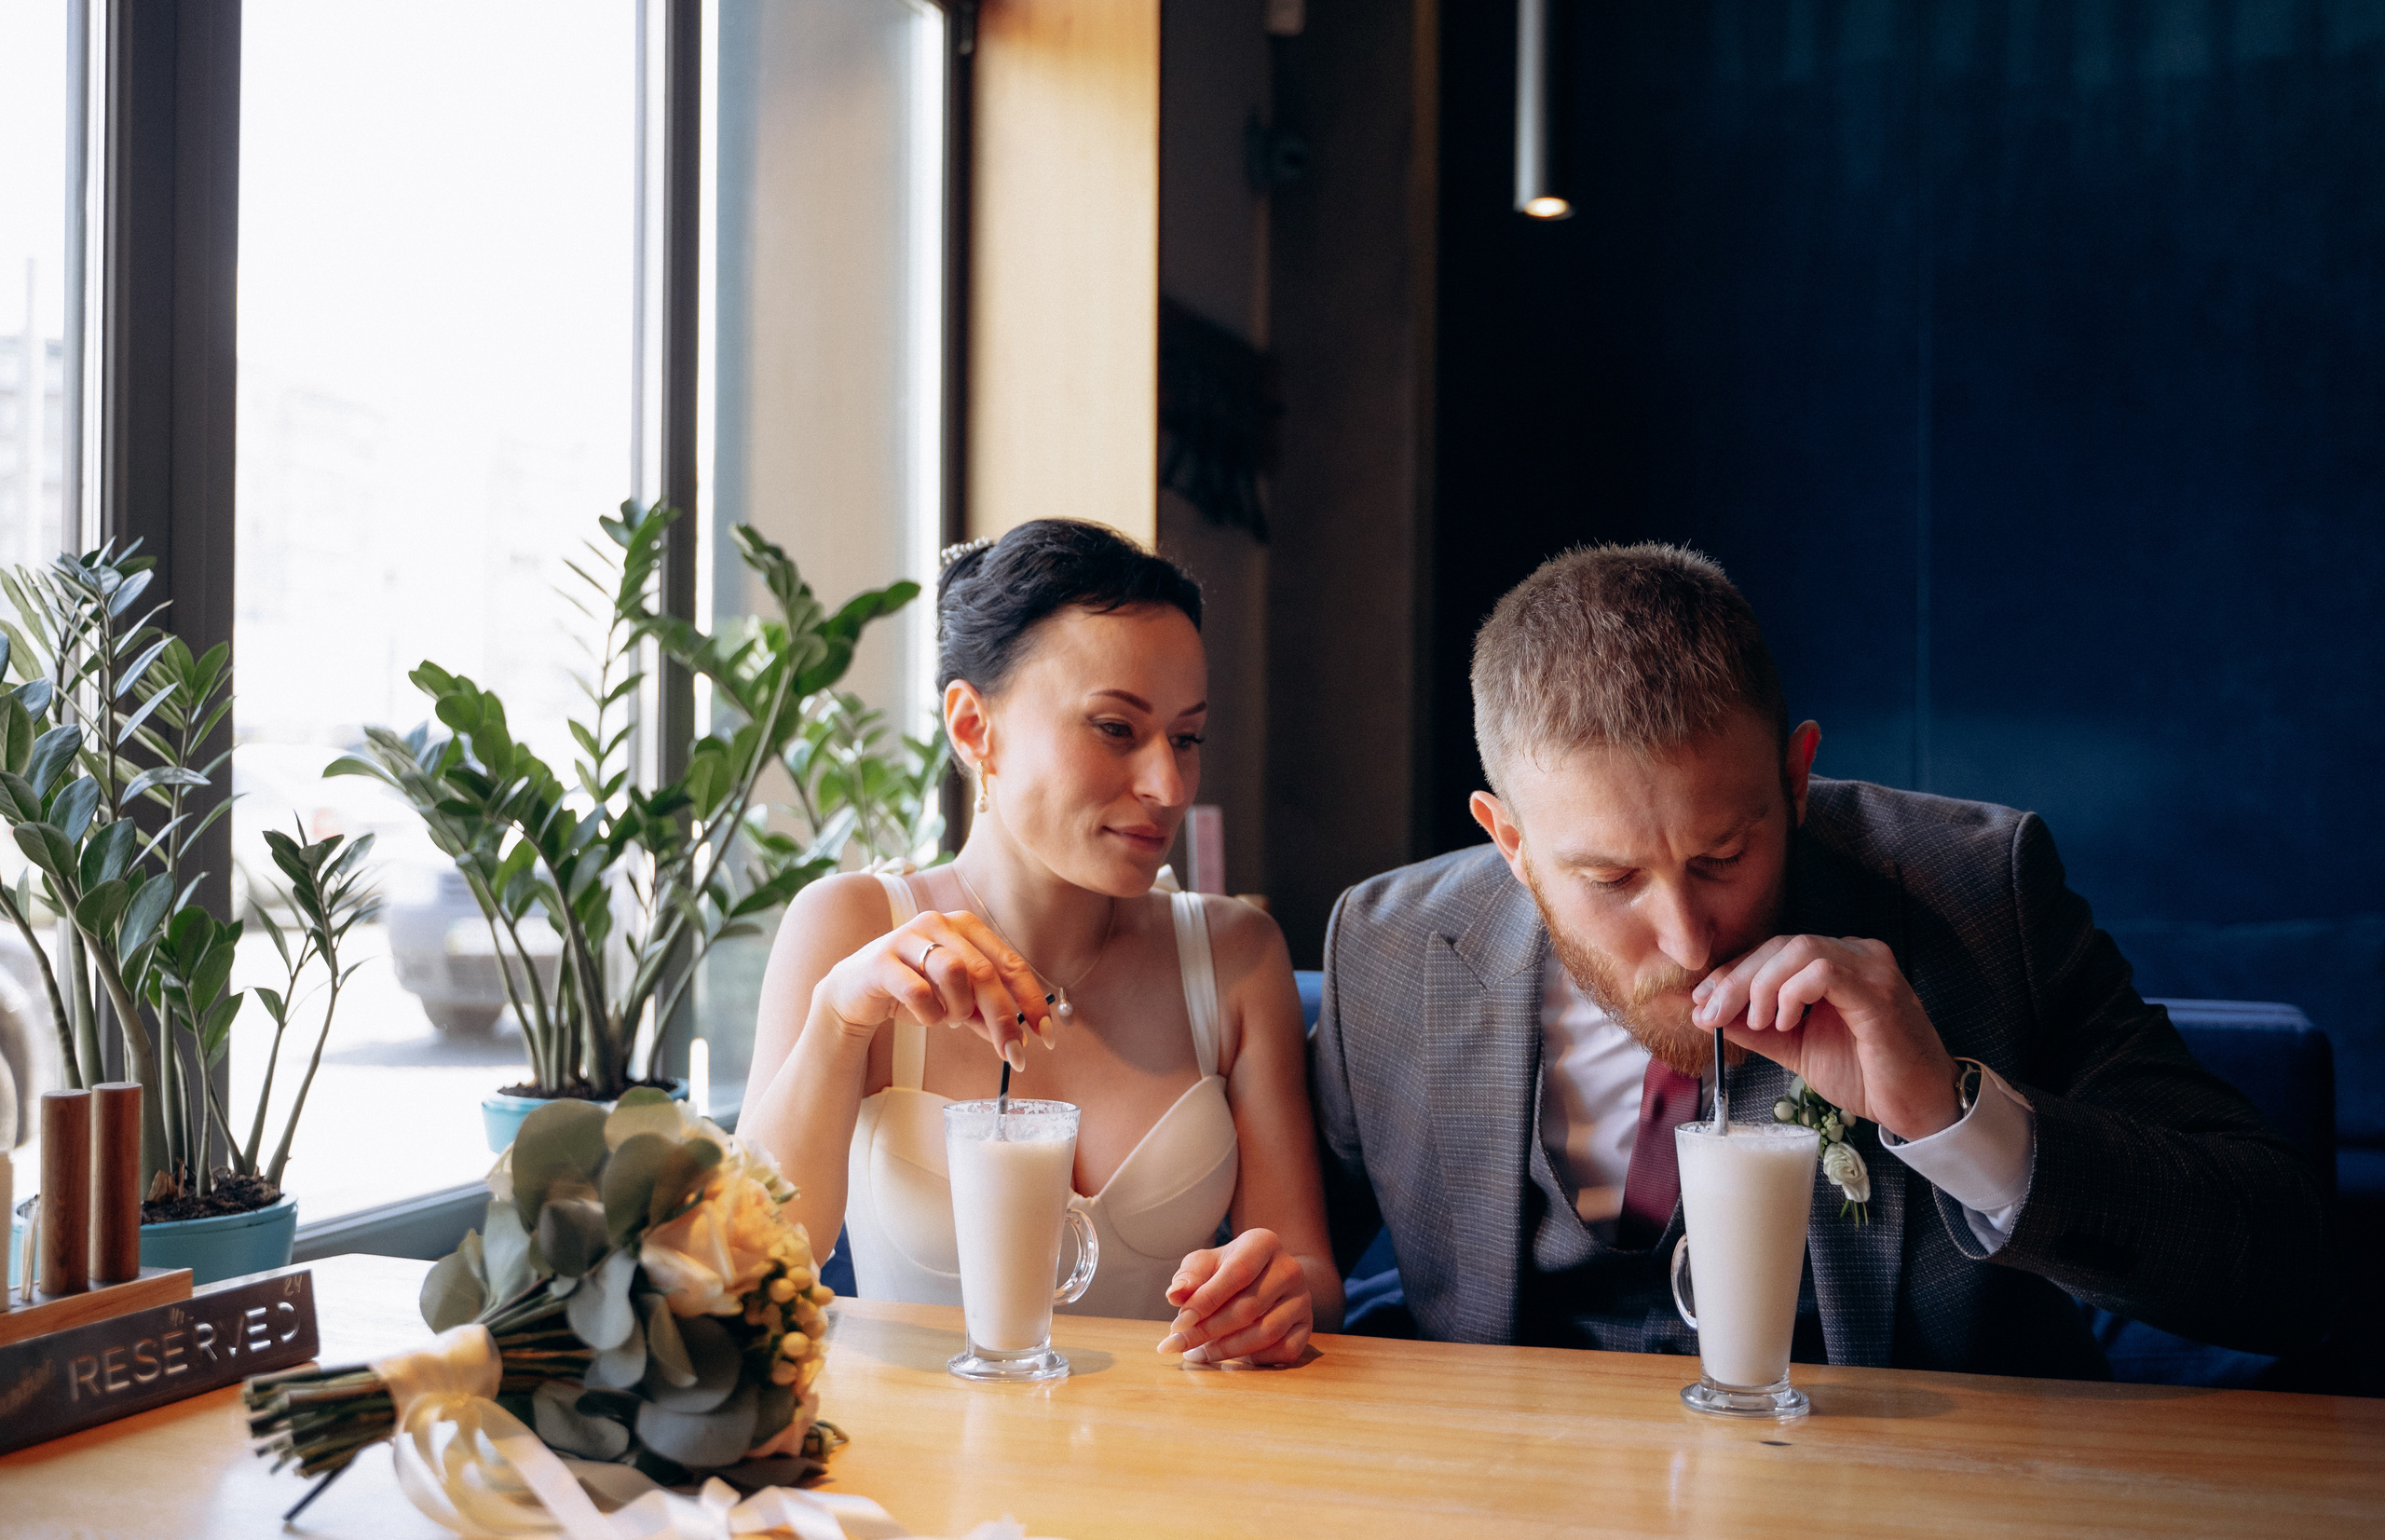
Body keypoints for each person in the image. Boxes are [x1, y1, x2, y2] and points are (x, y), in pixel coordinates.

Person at [1312, 543, 2335, 1376]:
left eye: (1723, 856)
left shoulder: (1982, 893)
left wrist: (1951, 1117)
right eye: (1610, 879)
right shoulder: (1388, 945)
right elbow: (1296, 1250)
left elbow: (2289, 1261)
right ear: (1510, 842)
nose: (1684, 936)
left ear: (1796, 777)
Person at [742, 519, 1340, 1367]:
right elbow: (749, 1271)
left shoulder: (1236, 956)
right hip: (922, 1471)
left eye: (1188, 736)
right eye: (1115, 728)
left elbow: (1310, 1269)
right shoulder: (850, 931)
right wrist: (841, 1020)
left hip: (1172, 1464)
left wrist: (1280, 1295)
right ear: (973, 725)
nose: (1167, 785)